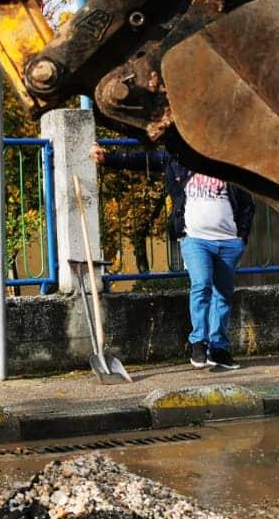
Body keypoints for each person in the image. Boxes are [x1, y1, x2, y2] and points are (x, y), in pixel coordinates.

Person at [93, 142, 255, 369]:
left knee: (223, 295)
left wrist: (242, 237)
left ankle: (219, 349)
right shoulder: (177, 158)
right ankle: (198, 343)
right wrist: (107, 158)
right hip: (195, 239)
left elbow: (247, 203)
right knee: (201, 285)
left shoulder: (229, 160)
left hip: (229, 242)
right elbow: (143, 160)